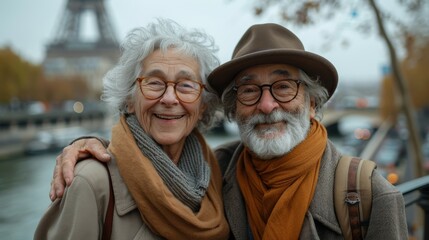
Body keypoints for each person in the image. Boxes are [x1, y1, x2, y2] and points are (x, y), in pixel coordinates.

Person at [49, 23, 408, 239]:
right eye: (250, 90)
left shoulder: (369, 196)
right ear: (233, 109)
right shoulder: (219, 172)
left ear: (313, 103)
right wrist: (89, 145)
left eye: (284, 87)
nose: (267, 106)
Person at [34, 18, 230, 240]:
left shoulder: (219, 173)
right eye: (154, 83)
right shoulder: (90, 183)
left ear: (202, 106)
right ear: (129, 99)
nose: (169, 98)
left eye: (186, 85)